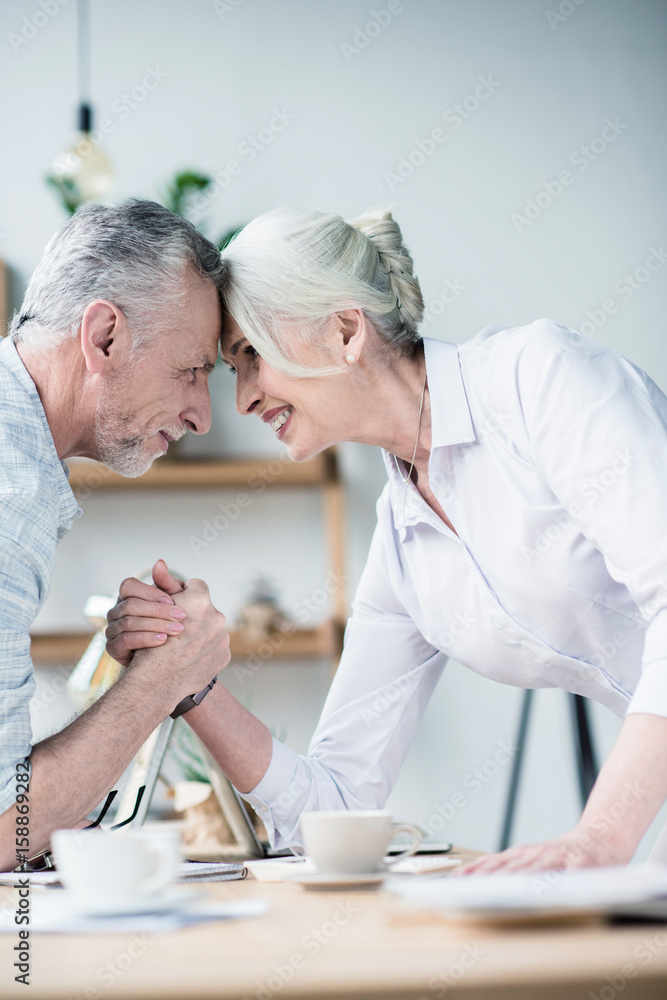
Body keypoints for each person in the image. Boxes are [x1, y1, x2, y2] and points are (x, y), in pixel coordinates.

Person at [107, 206, 667, 873]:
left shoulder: (541, 380)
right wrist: (190, 681)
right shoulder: (404, 544)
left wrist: (598, 837)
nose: (242, 401)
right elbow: (334, 809)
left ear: (346, 331)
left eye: (252, 355)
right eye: (234, 369)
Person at [0, 200, 230, 872]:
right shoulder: (11, 493)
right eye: (192, 371)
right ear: (103, 337)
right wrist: (161, 681)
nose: (203, 415)